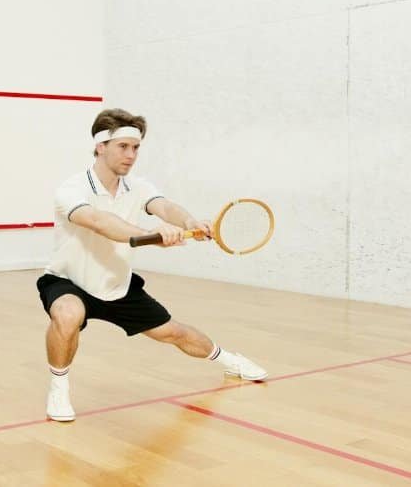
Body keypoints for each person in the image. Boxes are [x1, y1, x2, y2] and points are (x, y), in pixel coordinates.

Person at [37, 108, 267, 422]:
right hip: (67, 280)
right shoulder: (72, 189)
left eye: (136, 148)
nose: (131, 155)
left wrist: (189, 221)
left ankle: (230, 361)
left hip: (116, 284)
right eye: (123, 147)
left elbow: (165, 207)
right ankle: (59, 389)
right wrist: (149, 235)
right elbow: (98, 221)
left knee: (175, 333)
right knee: (68, 314)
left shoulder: (139, 187)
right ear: (100, 146)